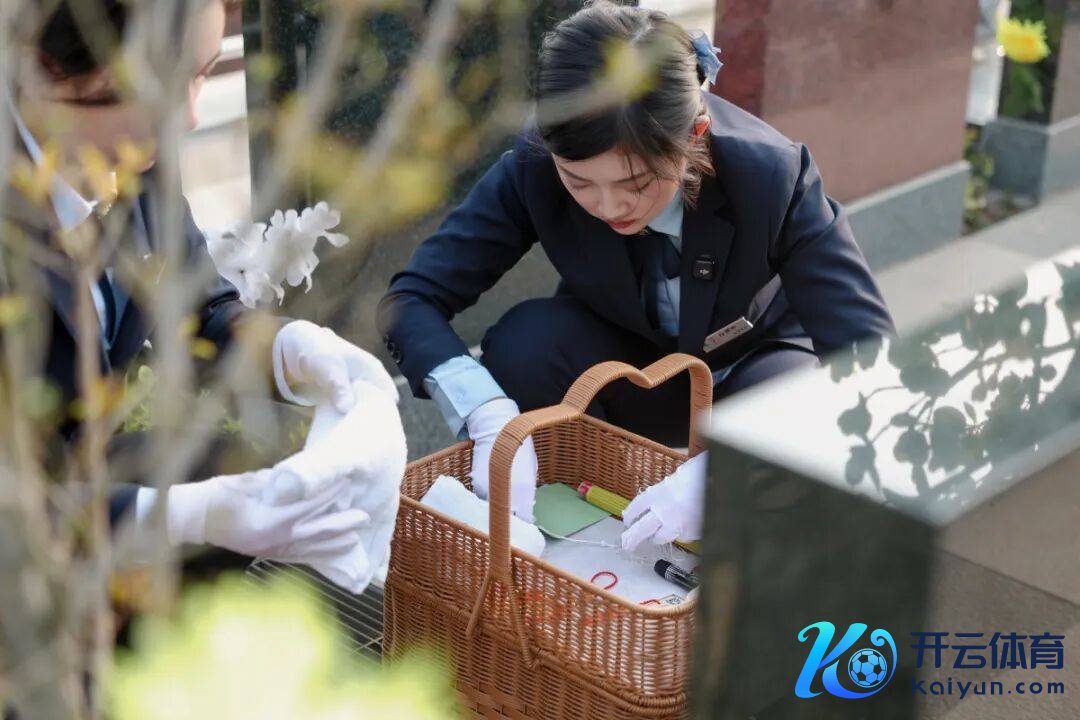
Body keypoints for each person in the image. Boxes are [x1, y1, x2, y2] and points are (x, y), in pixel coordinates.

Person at [377, 1, 894, 541]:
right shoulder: (535, 163)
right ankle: (572, 524)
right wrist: (484, 413)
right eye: (579, 183)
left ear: (694, 134)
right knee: (524, 345)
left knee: (793, 397)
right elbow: (409, 300)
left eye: (637, 184)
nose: (608, 207)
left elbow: (870, 357)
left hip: (750, 373)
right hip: (627, 366)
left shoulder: (772, 175)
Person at [2, 0, 394, 564]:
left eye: (203, 73)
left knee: (264, 477)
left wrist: (284, 348)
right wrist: (180, 517)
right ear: (49, 66)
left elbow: (193, 299)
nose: (187, 118)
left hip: (89, 476)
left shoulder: (133, 150)